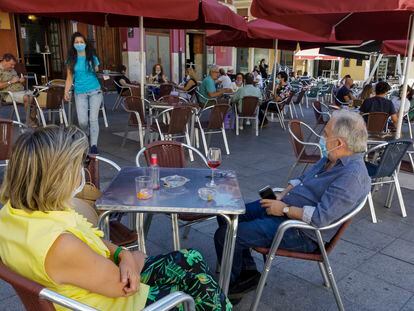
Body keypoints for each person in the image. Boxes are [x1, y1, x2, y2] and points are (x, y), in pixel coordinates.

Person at [0, 125, 232, 311]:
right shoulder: (59, 245)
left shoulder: (15, 215)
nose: (84, 170)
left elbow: (91, 239)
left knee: (190, 257)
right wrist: (133, 257)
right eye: (81, 164)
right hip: (116, 302)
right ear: (57, 176)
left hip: (92, 287)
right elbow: (125, 287)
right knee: (199, 286)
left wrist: (122, 253)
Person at [214, 110, 371, 303]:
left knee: (226, 234)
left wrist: (284, 209)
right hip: (286, 208)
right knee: (226, 214)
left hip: (303, 232)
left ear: (339, 143)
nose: (322, 137)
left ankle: (232, 287)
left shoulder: (351, 176)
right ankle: (246, 272)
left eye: (326, 133)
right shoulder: (331, 159)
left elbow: (320, 218)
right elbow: (303, 179)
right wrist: (282, 195)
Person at [64, 32, 103, 155]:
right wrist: (66, 91)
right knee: (82, 122)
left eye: (81, 42)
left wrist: (93, 66)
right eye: (76, 42)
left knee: (93, 119)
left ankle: (94, 145)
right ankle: (86, 136)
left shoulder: (92, 57)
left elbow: (97, 70)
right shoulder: (71, 60)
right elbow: (69, 78)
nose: (79, 44)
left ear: (85, 44)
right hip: (79, 93)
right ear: (73, 44)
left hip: (95, 91)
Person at [0, 53, 38, 126]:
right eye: (11, 64)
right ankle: (29, 121)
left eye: (14, 65)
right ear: (5, 61)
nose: (13, 66)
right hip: (8, 94)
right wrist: (10, 82)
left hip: (21, 91)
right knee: (27, 97)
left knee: (36, 94)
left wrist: (20, 80)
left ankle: (33, 118)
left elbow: (16, 79)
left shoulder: (11, 69)